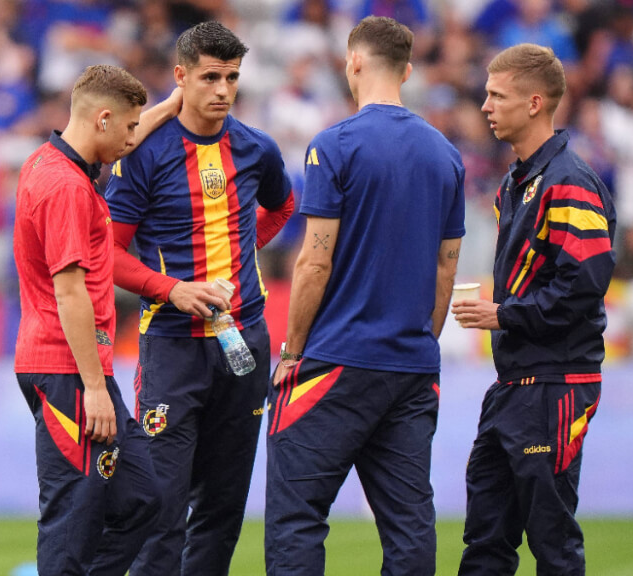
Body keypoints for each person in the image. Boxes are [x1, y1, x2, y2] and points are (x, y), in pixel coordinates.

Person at [266, 16, 465, 576]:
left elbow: (313, 260)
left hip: (334, 361)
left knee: (297, 517)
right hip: (411, 366)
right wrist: (420, 342)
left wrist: (292, 350)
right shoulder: (445, 154)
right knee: (408, 525)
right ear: (407, 69)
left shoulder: (335, 145)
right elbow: (445, 271)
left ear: (353, 61)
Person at [104, 21, 294, 576]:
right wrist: (174, 290)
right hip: (172, 348)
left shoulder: (257, 149)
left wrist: (240, 253)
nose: (223, 90)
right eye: (210, 77)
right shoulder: (143, 154)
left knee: (223, 506)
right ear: (181, 77)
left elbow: (282, 208)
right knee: (162, 506)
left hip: (245, 343)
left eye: (232, 77)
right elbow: (110, 255)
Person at [452, 43, 616, 575]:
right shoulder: (515, 182)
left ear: (536, 103)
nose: (485, 106)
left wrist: (505, 315)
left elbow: (585, 283)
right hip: (513, 385)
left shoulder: (569, 181)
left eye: (497, 95)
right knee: (485, 542)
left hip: (556, 384)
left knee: (552, 543)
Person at [12, 64, 182, 576]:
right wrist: (94, 386)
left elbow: (124, 132)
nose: (134, 138)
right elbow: (69, 292)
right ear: (103, 119)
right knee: (74, 516)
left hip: (78, 364)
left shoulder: (53, 164)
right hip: (67, 369)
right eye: (129, 127)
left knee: (141, 499)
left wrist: (170, 107)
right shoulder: (65, 187)